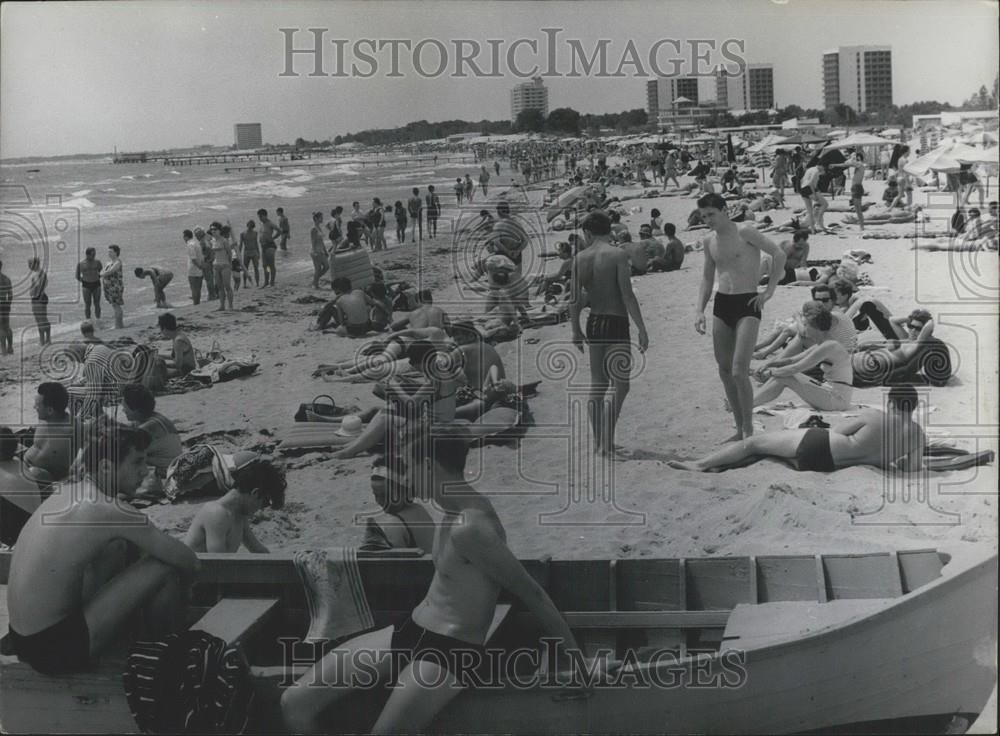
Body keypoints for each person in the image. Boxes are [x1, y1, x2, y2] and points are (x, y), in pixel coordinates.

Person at [281, 424, 586, 734]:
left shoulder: (472, 526)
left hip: (449, 652)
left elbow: (532, 594)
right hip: (410, 631)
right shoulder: (448, 511)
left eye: (408, 466)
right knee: (294, 702)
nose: (406, 478)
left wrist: (579, 665)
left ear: (428, 465)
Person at [2, 425, 199, 675]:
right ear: (105, 467)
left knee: (115, 546)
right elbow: (190, 561)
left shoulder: (66, 491)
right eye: (137, 462)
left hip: (22, 639)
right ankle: (164, 659)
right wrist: (187, 589)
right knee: (163, 564)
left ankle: (132, 636)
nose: (145, 471)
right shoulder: (110, 510)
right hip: (55, 651)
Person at [670, 384, 925, 473]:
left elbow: (837, 432)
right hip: (825, 466)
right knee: (768, 454)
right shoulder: (918, 436)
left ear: (891, 402)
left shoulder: (874, 416)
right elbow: (912, 468)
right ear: (912, 407)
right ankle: (720, 465)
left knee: (754, 443)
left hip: (820, 446)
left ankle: (700, 464)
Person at [694, 193, 785, 441]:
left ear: (724, 210)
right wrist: (699, 310)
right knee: (724, 370)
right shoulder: (708, 241)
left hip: (748, 302)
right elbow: (707, 277)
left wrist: (769, 291)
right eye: (703, 216)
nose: (708, 220)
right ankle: (738, 428)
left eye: (711, 214)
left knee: (738, 371)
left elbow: (778, 254)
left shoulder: (745, 231)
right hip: (722, 303)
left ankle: (748, 429)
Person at [569, 210, 649, 457]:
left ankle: (599, 443)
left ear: (587, 232)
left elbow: (574, 299)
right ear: (610, 230)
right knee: (621, 386)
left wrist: (575, 329)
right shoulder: (617, 255)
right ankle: (606, 443)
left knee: (598, 384)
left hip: (594, 323)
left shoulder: (580, 258)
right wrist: (642, 329)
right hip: (615, 323)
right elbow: (627, 295)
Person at [752, 310, 854, 411]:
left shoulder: (829, 346)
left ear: (817, 328)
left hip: (837, 400)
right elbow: (791, 360)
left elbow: (795, 368)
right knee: (782, 375)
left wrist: (770, 372)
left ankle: (749, 404)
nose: (803, 329)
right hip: (831, 392)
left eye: (806, 325)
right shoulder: (824, 344)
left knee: (785, 376)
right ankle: (750, 402)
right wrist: (768, 365)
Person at [184, 454, 285, 553]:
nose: (260, 509)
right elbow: (218, 564)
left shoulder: (239, 515)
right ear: (255, 493)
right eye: (264, 504)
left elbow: (257, 549)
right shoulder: (217, 513)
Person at [360, 455, 435, 553]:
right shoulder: (419, 509)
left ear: (404, 492)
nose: (378, 501)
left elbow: (396, 565)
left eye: (385, 496)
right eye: (375, 495)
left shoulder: (394, 524)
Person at [20, 382, 73, 484]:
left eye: (37, 405)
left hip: (43, 478)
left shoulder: (73, 429)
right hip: (25, 464)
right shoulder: (45, 418)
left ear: (50, 410)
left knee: (34, 473)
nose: (34, 407)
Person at [157, 312, 195, 378]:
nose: (161, 331)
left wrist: (163, 364)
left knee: (157, 371)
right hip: (185, 368)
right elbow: (175, 357)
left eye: (160, 328)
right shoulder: (176, 336)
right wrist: (158, 355)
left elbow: (178, 365)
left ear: (165, 328)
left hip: (186, 371)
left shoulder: (178, 341)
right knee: (158, 366)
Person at [207, 223, 234, 311]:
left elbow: (229, 253)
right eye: (211, 229)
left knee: (227, 286)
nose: (213, 231)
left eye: (215, 229)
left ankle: (230, 306)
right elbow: (213, 254)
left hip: (225, 265)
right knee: (219, 287)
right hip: (216, 265)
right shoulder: (212, 241)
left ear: (219, 230)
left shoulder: (224, 240)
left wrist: (230, 264)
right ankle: (222, 305)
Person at [27, 256, 51, 345]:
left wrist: (39, 297)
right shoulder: (35, 274)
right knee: (38, 320)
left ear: (36, 264)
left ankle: (47, 339)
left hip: (40, 298)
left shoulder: (41, 273)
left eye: (30, 264)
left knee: (43, 319)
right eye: (29, 264)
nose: (29, 266)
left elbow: (43, 286)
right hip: (35, 298)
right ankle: (42, 340)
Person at [798, 162, 827, 233]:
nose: (823, 169)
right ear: (821, 166)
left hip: (802, 188)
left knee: (810, 211)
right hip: (809, 188)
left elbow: (802, 180)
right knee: (825, 204)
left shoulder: (810, 169)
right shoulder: (816, 171)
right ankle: (819, 223)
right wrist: (814, 194)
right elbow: (811, 183)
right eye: (823, 168)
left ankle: (812, 229)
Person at [76, 247, 103, 320]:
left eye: (94, 254)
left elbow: (101, 271)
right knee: (87, 304)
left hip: (96, 284)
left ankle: (98, 320)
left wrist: (95, 277)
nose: (94, 256)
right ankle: (88, 320)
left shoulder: (97, 262)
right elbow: (77, 276)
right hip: (86, 285)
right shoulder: (81, 263)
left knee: (97, 303)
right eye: (92, 254)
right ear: (87, 254)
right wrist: (84, 281)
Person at [258, 208, 279, 286]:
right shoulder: (262, 224)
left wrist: (273, 238)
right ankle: (266, 282)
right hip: (263, 246)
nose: (259, 218)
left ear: (265, 216)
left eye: (260, 216)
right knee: (265, 265)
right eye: (259, 217)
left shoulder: (270, 223)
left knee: (271, 265)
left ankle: (272, 282)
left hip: (270, 245)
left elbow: (279, 230)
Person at [194, 227, 217, 300]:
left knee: (209, 280)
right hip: (214, 260)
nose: (196, 237)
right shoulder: (209, 237)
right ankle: (215, 294)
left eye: (196, 235)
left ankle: (212, 296)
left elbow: (208, 247)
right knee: (214, 278)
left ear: (200, 234)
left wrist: (205, 257)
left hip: (207, 261)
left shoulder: (203, 241)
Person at [308, 211, 329, 288]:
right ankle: (315, 284)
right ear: (316, 219)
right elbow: (313, 241)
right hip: (315, 251)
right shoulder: (313, 229)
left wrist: (325, 251)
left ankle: (314, 281)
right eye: (321, 217)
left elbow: (321, 241)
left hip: (320, 250)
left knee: (326, 266)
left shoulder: (319, 227)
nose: (322, 219)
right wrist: (314, 252)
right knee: (318, 269)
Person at [847, 152, 867, 231]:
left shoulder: (860, 164)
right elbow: (846, 164)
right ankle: (861, 225)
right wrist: (835, 165)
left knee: (858, 209)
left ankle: (861, 226)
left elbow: (850, 162)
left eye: (857, 158)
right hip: (855, 187)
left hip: (857, 187)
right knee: (857, 208)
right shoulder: (858, 165)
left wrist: (852, 157)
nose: (856, 160)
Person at [184, 229, 205, 303]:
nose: (184, 239)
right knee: (198, 288)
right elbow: (201, 256)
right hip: (199, 268)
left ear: (186, 237)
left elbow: (193, 258)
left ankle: (195, 303)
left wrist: (199, 266)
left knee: (193, 288)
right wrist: (201, 266)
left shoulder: (190, 245)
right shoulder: (197, 243)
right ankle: (198, 303)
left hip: (193, 268)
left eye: (184, 237)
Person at [240, 220, 261, 286]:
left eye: (251, 226)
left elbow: (256, 243)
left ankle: (257, 283)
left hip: (254, 251)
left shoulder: (255, 233)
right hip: (246, 252)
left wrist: (258, 253)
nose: (250, 227)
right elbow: (241, 245)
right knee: (245, 268)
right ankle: (244, 283)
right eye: (249, 225)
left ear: (253, 226)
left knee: (256, 268)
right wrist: (238, 254)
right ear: (247, 225)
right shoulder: (242, 234)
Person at [0, 259, 12, 355]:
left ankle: (3, 349)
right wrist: (8, 304)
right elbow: (10, 294)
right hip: (5, 304)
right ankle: (10, 347)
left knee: (1, 328)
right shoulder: (7, 279)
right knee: (7, 326)